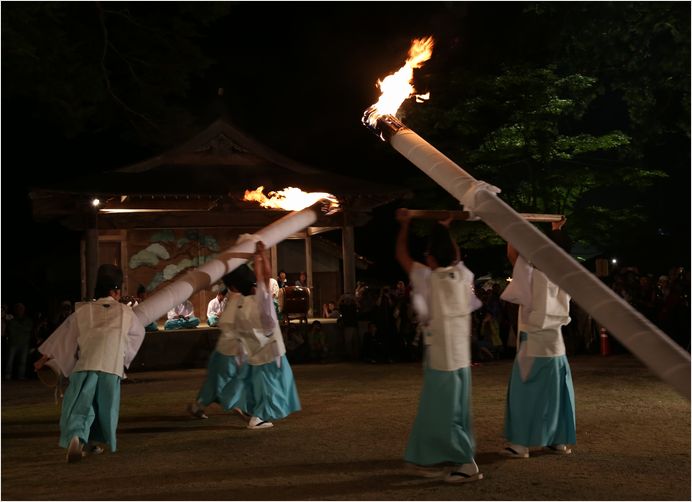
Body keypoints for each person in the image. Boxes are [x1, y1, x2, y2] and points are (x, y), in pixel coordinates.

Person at [395, 208, 483, 484]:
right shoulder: (462, 276)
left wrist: (405, 225)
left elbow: (401, 256)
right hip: (459, 358)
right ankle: (433, 457)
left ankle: (466, 463)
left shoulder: (429, 278)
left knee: (444, 413)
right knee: (453, 411)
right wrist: (445, 228)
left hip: (442, 359)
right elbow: (454, 257)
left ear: (431, 257)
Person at [34, 264, 145, 463]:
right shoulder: (126, 313)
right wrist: (123, 357)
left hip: (85, 365)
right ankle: (92, 442)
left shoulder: (82, 311)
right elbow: (138, 334)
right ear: (115, 291)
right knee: (103, 407)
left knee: (82, 404)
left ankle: (77, 436)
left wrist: (45, 357)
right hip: (110, 367)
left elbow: (64, 337)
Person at [498, 216, 576, 458]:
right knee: (555, 393)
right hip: (556, 343)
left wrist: (514, 224)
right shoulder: (567, 274)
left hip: (532, 340)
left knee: (525, 393)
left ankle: (520, 444)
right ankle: (557, 441)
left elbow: (513, 253)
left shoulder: (532, 272)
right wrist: (557, 230)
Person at [217, 241, 301, 429]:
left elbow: (263, 277)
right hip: (270, 351)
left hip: (255, 353)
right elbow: (266, 275)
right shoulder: (260, 299)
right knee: (272, 387)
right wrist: (260, 254)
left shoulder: (240, 305)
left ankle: (246, 407)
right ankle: (258, 418)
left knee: (258, 385)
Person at [4, 303, 35, 380]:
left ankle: (20, 376)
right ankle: (8, 375)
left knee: (23, 362)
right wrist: (23, 329)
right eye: (18, 308)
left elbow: (29, 329)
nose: (20, 310)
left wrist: (18, 327)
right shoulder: (12, 320)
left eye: (21, 308)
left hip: (24, 344)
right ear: (16, 310)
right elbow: (11, 330)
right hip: (14, 343)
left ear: (24, 310)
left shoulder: (28, 320)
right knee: (10, 360)